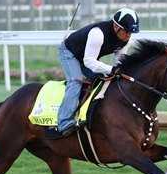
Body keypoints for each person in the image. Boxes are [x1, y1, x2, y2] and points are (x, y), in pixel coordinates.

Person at [57, 7, 140, 137]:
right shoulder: (98, 34)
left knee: (104, 80)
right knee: (76, 81)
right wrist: (111, 69)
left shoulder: (125, 40)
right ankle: (64, 122)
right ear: (115, 26)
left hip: (85, 57)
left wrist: (120, 71)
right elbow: (89, 61)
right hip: (69, 52)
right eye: (126, 31)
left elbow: (119, 62)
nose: (129, 35)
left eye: (131, 32)